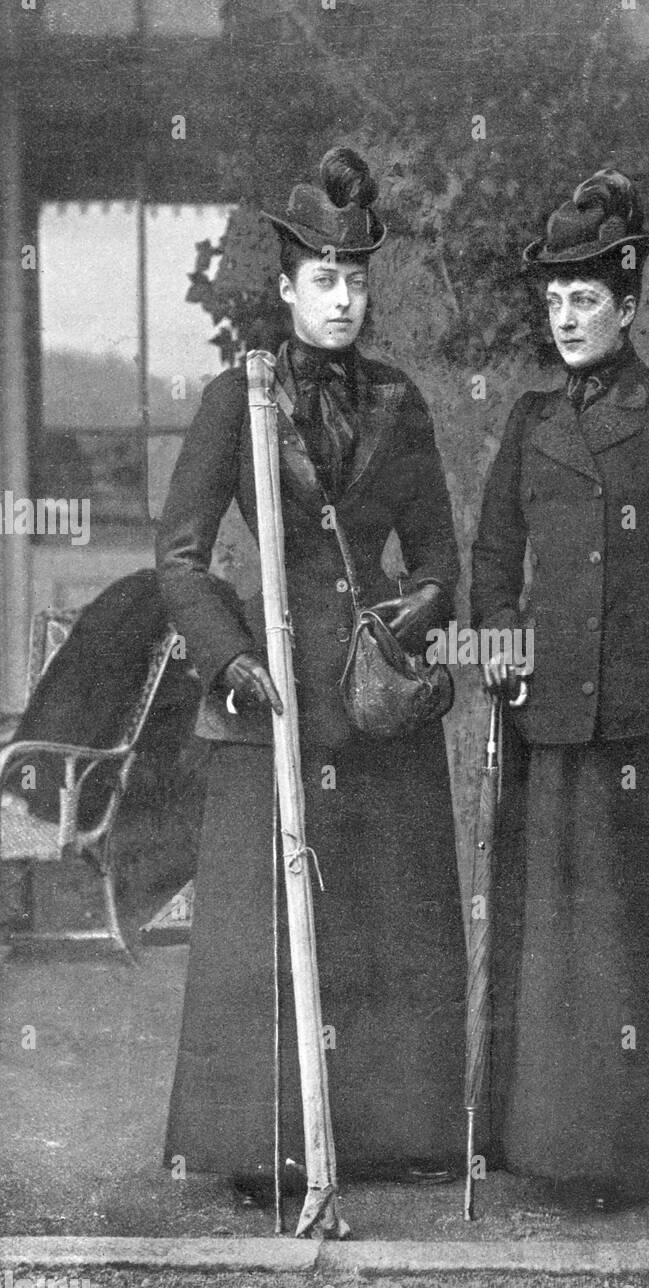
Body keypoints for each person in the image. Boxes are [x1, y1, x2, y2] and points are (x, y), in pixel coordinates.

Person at [157, 148, 465, 1203]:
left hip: (374, 700)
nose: (343, 299)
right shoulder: (232, 399)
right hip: (272, 693)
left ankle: (391, 1133)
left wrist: (411, 614)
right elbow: (181, 558)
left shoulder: (401, 403)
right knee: (268, 927)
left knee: (386, 916)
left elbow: (438, 559)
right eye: (324, 280)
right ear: (287, 286)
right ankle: (264, 1145)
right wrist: (231, 656)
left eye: (358, 280)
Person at [471, 168, 649, 1210]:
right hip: (554, 705)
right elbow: (495, 550)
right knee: (564, 937)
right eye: (554, 300)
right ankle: (561, 1143)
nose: (567, 316)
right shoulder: (530, 417)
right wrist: (497, 627)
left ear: (629, 305)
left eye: (586, 298)